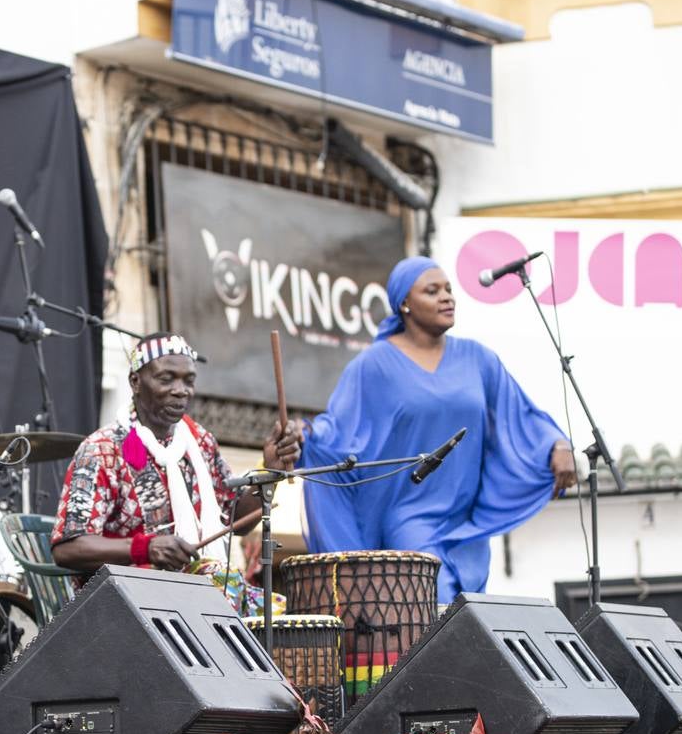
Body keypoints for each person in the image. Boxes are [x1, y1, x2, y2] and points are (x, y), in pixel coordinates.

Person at [298, 257, 576, 603]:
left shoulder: (478, 359)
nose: (447, 297)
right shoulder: (374, 365)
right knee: (439, 613)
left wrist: (558, 444)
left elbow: (519, 413)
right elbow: (336, 431)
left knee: (469, 622)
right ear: (404, 304)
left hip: (468, 526)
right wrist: (301, 437)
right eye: (432, 291)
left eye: (448, 289)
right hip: (410, 520)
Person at [52, 333, 302, 582]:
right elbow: (68, 549)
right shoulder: (102, 449)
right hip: (124, 600)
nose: (181, 391)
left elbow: (237, 520)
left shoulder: (200, 442)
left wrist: (270, 472)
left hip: (195, 591)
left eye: (188, 381)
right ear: (135, 382)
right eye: (166, 379)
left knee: (278, 616)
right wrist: (145, 548)